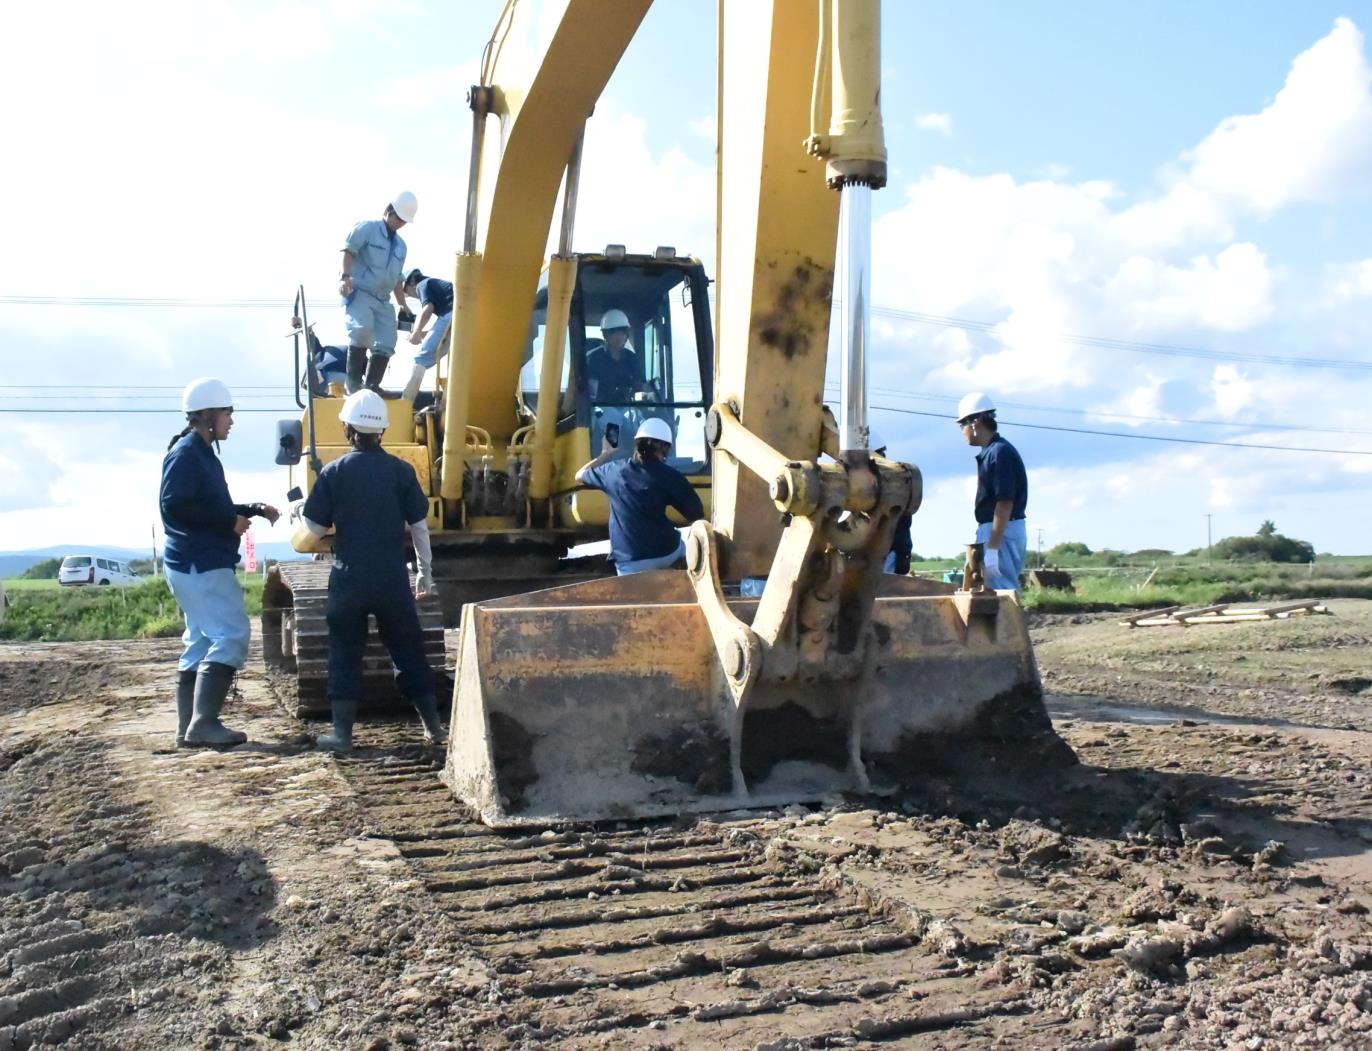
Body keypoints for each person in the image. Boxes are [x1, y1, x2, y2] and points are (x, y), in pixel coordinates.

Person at [299, 389, 446, 753]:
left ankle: (342, 735)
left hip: (349, 579)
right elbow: (419, 527)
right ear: (381, 430)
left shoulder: (333, 473)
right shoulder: (401, 471)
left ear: (348, 428)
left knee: (345, 652)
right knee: (409, 650)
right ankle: (433, 727)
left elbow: (313, 531)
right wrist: (425, 573)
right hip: (392, 579)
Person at [160, 378, 280, 747]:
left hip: (192, 562)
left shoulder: (197, 451)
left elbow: (204, 504)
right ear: (208, 415)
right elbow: (175, 506)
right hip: (201, 563)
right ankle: (203, 725)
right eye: (227, 412)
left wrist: (251, 510)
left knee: (199, 642)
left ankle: (189, 729)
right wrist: (229, 522)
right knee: (231, 634)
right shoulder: (188, 453)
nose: (231, 420)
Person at [575, 417, 704, 575]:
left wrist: (605, 454)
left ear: (636, 443)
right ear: (664, 447)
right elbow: (696, 513)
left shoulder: (612, 471)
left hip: (629, 561)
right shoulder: (670, 476)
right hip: (667, 552)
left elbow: (579, 475)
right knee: (681, 546)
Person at [340, 192, 418, 395]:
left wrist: (402, 304)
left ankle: (372, 386)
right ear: (389, 211)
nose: (400, 223)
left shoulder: (401, 246)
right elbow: (348, 251)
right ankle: (353, 385)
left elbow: (396, 279)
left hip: (383, 299)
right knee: (361, 330)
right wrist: (345, 277)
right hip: (361, 292)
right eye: (398, 218)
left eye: (404, 221)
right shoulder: (367, 228)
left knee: (387, 340)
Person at [957, 392, 1028, 592]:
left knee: (1001, 592)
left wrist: (993, 549)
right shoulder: (992, 452)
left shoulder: (999, 453)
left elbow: (1004, 503)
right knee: (990, 593)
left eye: (962, 424)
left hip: (1001, 531)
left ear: (975, 422)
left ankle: (1007, 625)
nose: (962, 430)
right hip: (997, 530)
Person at [400, 268, 454, 403]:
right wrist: (425, 333)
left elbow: (427, 309)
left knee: (420, 359)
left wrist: (416, 331)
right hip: (458, 315)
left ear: (412, 281)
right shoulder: (436, 286)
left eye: (406, 291)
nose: (411, 295)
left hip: (452, 315)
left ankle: (405, 402)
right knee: (453, 357)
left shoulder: (422, 285)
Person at [871, 434, 913, 575]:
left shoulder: (891, 481)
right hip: (885, 550)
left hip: (889, 551)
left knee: (881, 591)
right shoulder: (890, 478)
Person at [585, 308, 646, 403]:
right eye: (613, 331)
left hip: (629, 412)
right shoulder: (592, 359)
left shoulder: (632, 359)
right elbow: (590, 395)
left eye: (622, 330)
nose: (619, 335)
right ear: (604, 334)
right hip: (599, 414)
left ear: (627, 334)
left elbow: (641, 387)